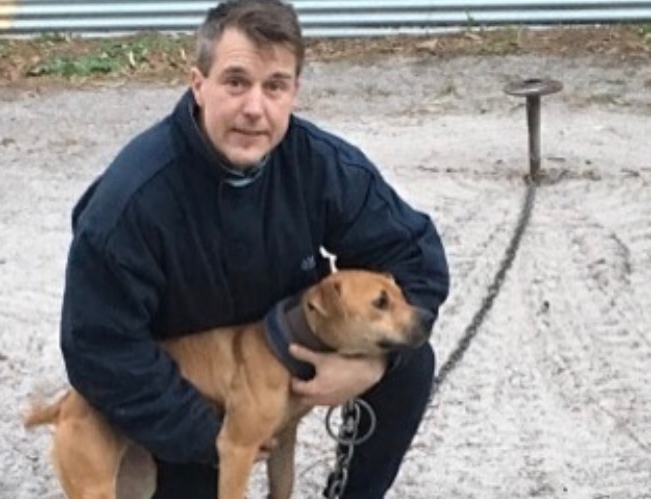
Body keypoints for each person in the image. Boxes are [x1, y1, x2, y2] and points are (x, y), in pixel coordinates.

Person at [59, 0, 449, 497]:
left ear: (294, 93)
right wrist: (206, 436)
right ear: (198, 84)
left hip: (271, 364)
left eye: (274, 86)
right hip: (181, 401)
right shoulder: (130, 203)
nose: (254, 108)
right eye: (236, 81)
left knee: (411, 361)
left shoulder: (321, 167)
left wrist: (370, 364)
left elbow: (415, 255)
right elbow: (100, 347)